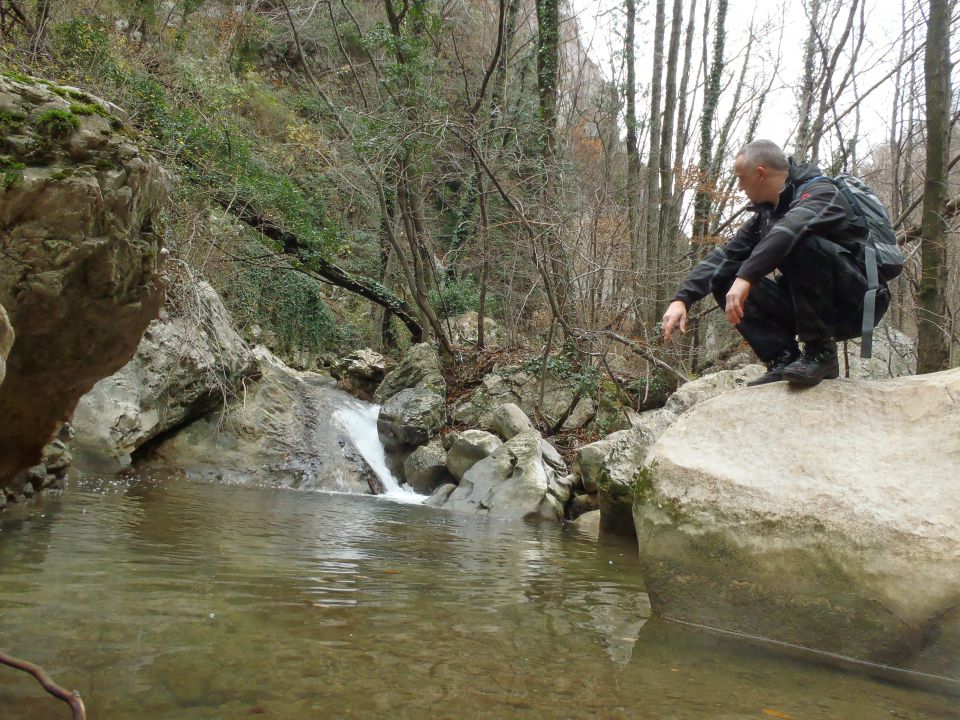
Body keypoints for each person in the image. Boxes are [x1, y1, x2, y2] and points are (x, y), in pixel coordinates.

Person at [661, 139, 888, 387]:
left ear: (760, 173)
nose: (739, 187)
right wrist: (682, 299)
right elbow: (724, 256)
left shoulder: (822, 192)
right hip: (806, 306)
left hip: (854, 304)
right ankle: (783, 357)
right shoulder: (766, 216)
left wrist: (745, 277)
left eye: (741, 178)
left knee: (799, 240)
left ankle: (821, 352)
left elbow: (790, 229)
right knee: (724, 277)